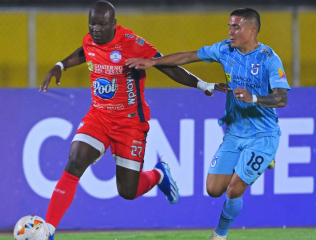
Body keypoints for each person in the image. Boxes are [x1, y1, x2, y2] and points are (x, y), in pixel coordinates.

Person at [39, 1, 227, 239]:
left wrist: (202, 84)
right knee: (75, 161)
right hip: (99, 115)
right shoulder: (90, 39)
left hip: (130, 123)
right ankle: (48, 230)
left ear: (114, 24)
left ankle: (159, 175)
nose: (95, 29)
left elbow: (167, 66)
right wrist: (60, 65)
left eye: (101, 24)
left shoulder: (131, 43)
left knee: (127, 191)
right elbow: (85, 50)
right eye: (92, 23)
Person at [126, 8, 290, 240]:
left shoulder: (268, 59)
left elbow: (282, 98)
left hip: (263, 135)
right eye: (229, 27)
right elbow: (187, 56)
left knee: (233, 190)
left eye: (236, 27)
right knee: (213, 190)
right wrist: (153, 62)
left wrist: (254, 98)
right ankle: (260, 162)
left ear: (252, 31)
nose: (231, 32)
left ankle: (219, 234)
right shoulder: (224, 49)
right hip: (234, 132)